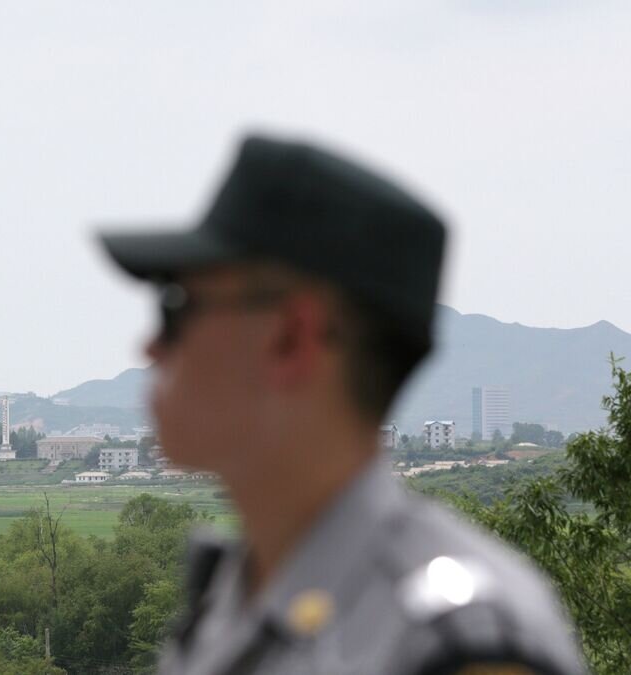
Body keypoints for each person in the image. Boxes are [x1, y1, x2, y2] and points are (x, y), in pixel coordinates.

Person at [99, 135, 585, 675]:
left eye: (177, 308)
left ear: (292, 340)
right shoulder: (231, 600)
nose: (150, 347)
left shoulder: (457, 646)